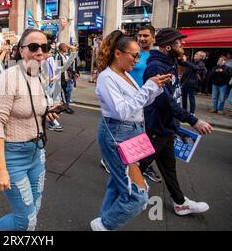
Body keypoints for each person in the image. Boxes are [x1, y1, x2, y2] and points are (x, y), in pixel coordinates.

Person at [90, 30, 172, 231]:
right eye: (134, 55)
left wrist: (156, 87)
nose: (137, 59)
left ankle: (103, 222)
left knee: (117, 186)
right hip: (117, 135)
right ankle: (104, 224)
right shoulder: (106, 77)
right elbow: (122, 111)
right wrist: (147, 88)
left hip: (133, 134)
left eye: (139, 55)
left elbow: (138, 105)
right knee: (138, 196)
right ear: (118, 53)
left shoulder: (125, 75)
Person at [0, 28, 59, 231]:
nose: (40, 51)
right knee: (26, 221)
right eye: (33, 47)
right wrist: (0, 168)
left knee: (34, 211)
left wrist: (46, 113)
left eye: (44, 47)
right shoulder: (10, 77)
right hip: (14, 157)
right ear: (21, 51)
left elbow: (33, 110)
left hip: (37, 153)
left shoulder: (40, 76)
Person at [140, 28, 213, 216]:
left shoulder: (170, 62)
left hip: (166, 127)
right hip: (158, 126)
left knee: (168, 168)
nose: (183, 45)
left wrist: (189, 63)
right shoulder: (157, 67)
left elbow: (185, 68)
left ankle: (180, 203)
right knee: (139, 164)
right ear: (167, 46)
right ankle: (120, 197)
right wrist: (193, 120)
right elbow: (165, 102)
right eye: (179, 43)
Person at [120, 24, 162, 183]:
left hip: (150, 100)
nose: (142, 39)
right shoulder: (133, 53)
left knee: (145, 135)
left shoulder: (156, 56)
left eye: (145, 36)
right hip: (131, 100)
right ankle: (128, 163)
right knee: (130, 134)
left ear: (153, 37)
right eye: (140, 36)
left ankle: (140, 164)